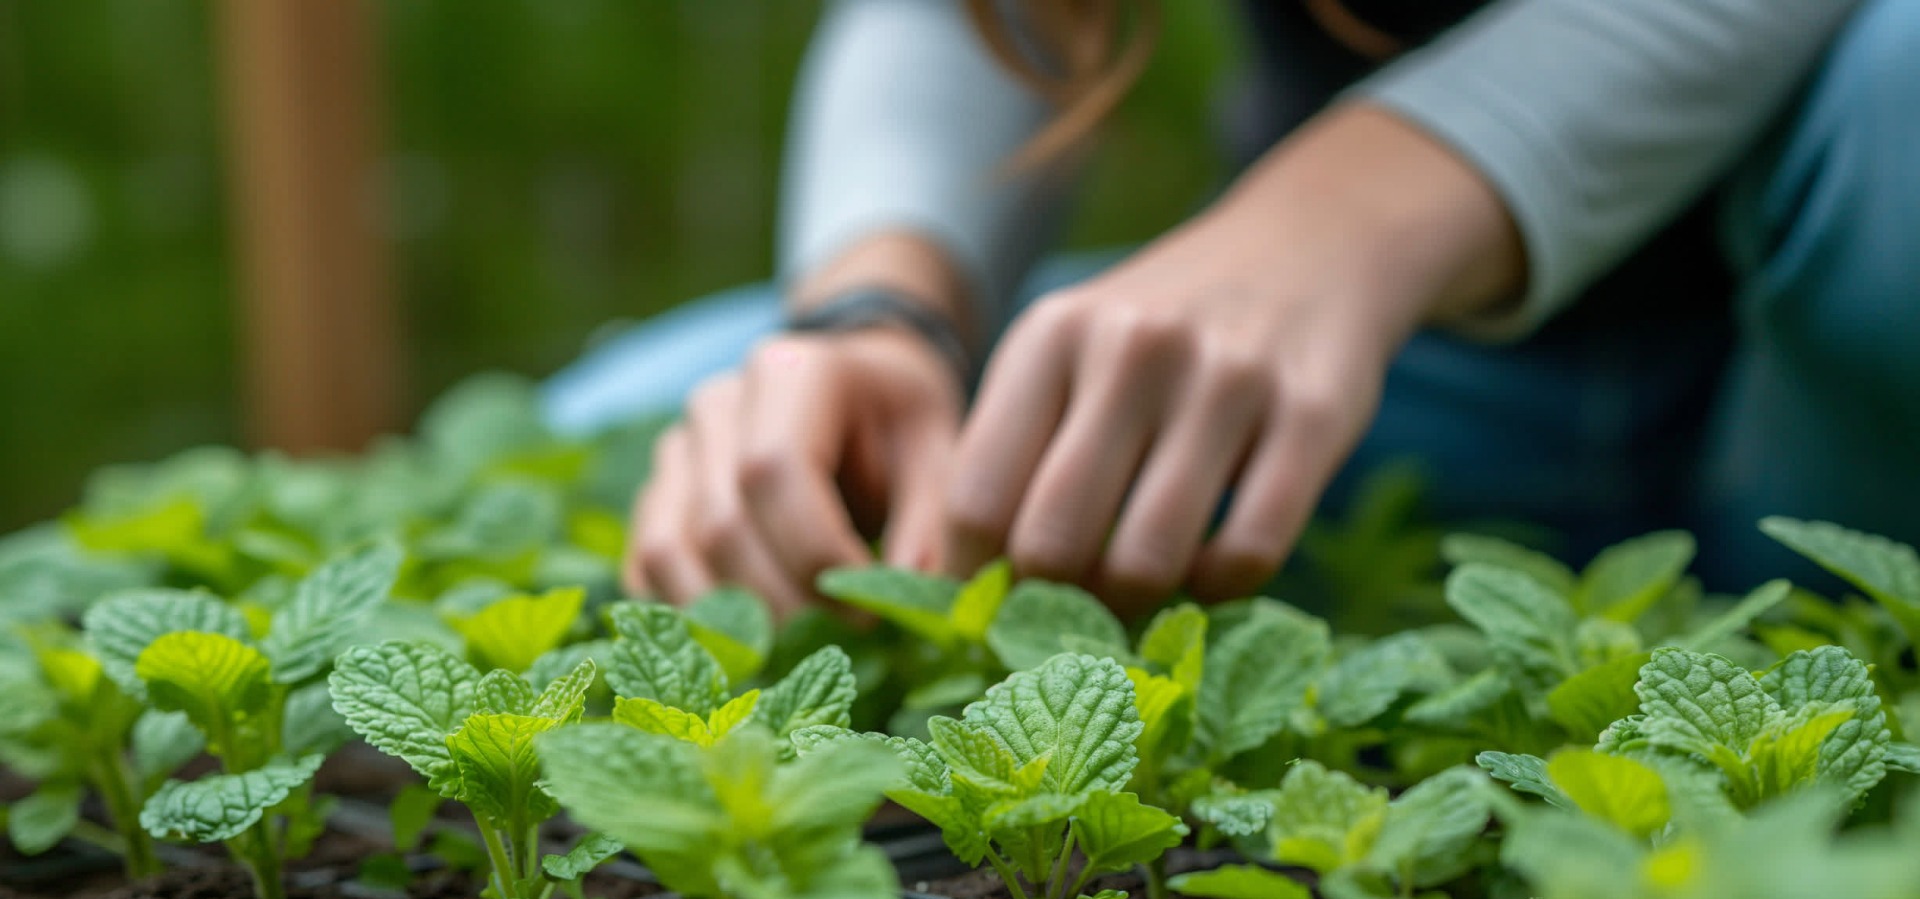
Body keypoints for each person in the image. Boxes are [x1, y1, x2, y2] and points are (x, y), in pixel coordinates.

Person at [544, 0, 1920, 617]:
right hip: (1386, 376)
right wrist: (875, 310)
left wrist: (1356, 212)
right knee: (615, 431)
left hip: (1816, 353)